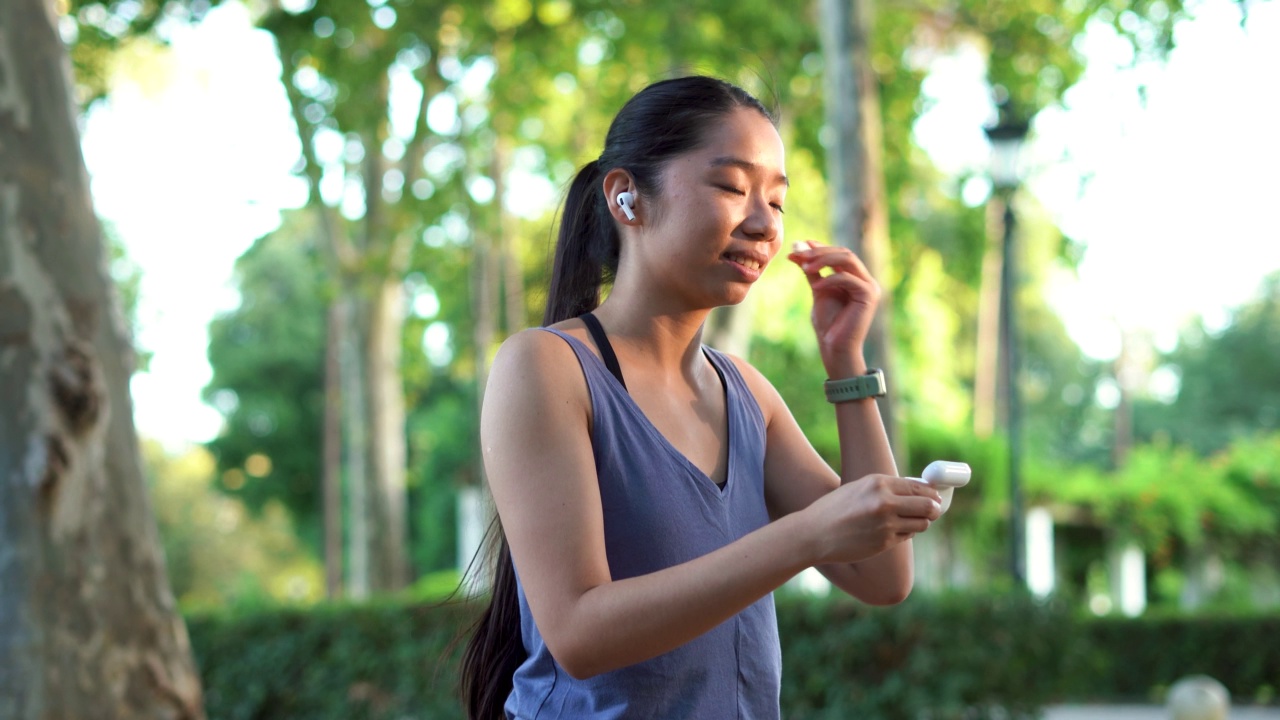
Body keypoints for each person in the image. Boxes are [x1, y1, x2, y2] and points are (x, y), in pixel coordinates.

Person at [460, 75, 943, 720]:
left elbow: (882, 578)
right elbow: (578, 633)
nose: (763, 222)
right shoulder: (546, 367)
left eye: (776, 200)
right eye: (731, 187)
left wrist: (846, 365)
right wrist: (804, 537)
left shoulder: (747, 394)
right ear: (626, 196)